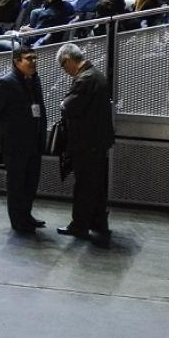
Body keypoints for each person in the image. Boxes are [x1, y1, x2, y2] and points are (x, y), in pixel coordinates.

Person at [0, 45, 48, 234]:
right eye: (29, 59)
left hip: (34, 142)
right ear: (17, 62)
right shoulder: (6, 83)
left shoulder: (34, 79)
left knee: (31, 182)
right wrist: (9, 127)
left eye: (35, 58)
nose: (33, 62)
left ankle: (27, 215)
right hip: (15, 144)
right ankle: (17, 220)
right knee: (16, 184)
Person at [57, 42, 114, 245]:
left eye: (64, 67)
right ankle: (98, 222)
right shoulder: (97, 75)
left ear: (68, 61)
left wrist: (63, 103)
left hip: (86, 142)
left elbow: (69, 106)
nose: (66, 72)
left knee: (83, 186)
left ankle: (79, 224)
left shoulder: (84, 79)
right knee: (96, 186)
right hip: (98, 141)